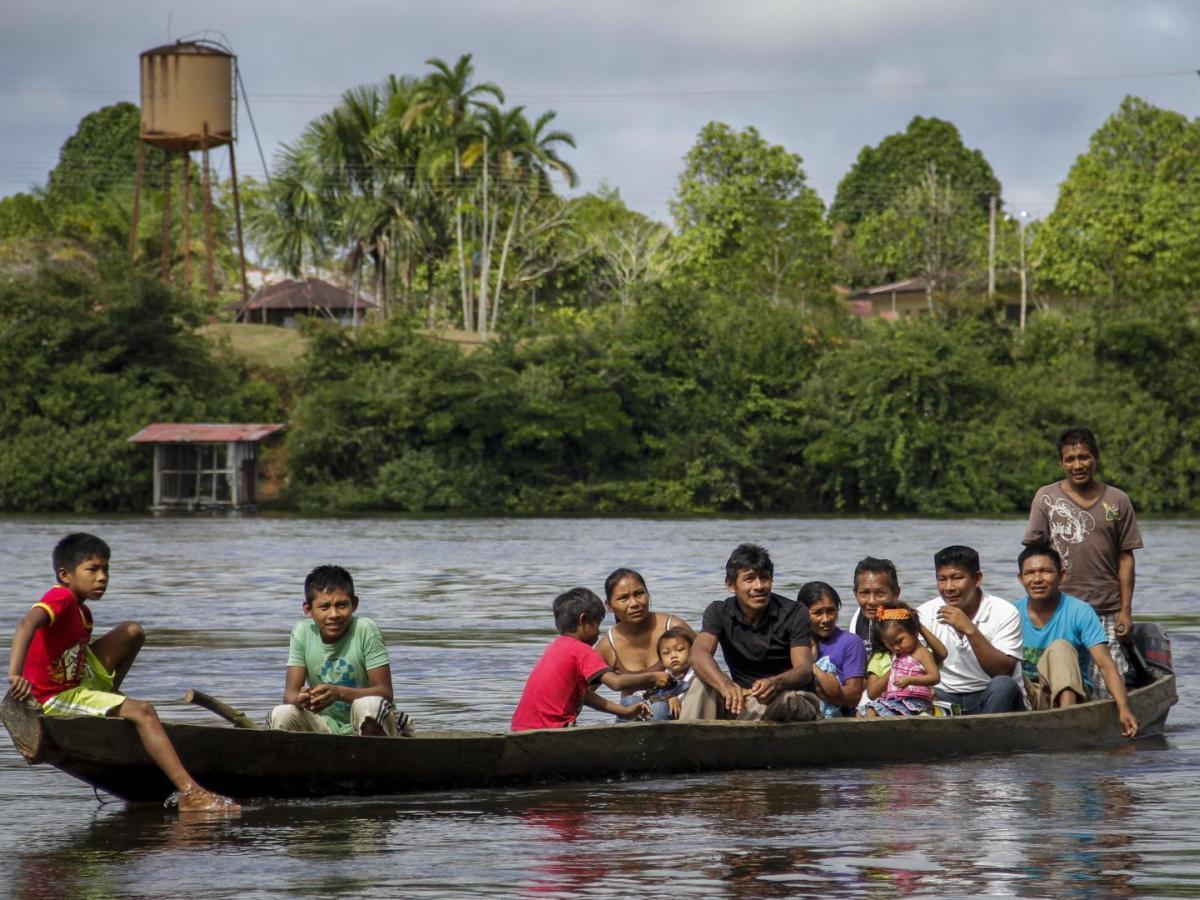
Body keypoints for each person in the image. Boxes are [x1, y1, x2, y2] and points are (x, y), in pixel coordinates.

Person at [6, 533, 238, 813]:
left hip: (76, 677)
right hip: (53, 695)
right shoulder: (61, 597)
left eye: (106, 569)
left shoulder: (83, 613)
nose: (102, 577)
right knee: (143, 712)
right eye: (92, 570)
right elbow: (25, 625)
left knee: (132, 632)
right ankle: (191, 792)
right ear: (65, 574)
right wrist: (15, 674)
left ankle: (108, 697)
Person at [1023, 426, 1143, 691]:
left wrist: (1125, 610)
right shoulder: (1047, 497)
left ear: (1096, 458)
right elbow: (1032, 556)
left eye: (1084, 457)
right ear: (1061, 463)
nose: (1077, 465)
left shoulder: (1117, 500)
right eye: (1070, 459)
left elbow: (1126, 559)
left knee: (1109, 683)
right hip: (1060, 607)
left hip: (1105, 607)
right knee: (1060, 678)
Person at [678, 543, 819, 722]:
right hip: (744, 698)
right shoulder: (719, 612)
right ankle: (688, 740)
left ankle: (725, 737)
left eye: (764, 578)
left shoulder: (794, 612)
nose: (759, 586)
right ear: (731, 585)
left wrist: (775, 683)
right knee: (700, 682)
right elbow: (698, 654)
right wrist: (725, 684)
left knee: (783, 700)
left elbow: (804, 670)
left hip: (792, 696)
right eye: (749, 579)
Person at [1013, 541, 1138, 738]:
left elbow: (1105, 664)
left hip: (1074, 697)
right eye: (1030, 573)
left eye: (1045, 571)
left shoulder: (1079, 611)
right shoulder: (1012, 613)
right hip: (1028, 697)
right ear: (1021, 579)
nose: (1037, 579)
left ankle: (1066, 723)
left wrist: (1123, 708)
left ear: (1062, 576)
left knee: (1060, 648)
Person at [268, 565, 407, 737]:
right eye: (324, 607)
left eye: (341, 605)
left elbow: (385, 693)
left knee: (369, 705)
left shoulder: (365, 629)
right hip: (327, 725)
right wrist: (301, 699)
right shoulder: (302, 632)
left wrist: (339, 693)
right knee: (281, 713)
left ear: (354, 604)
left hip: (368, 724)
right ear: (308, 609)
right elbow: (289, 694)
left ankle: (372, 758)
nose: (334, 614)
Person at [512, 588, 670, 732]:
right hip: (553, 730)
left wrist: (625, 711)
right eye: (597, 625)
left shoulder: (555, 647)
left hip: (520, 728)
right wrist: (654, 677)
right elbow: (616, 683)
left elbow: (584, 695)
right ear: (584, 620)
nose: (598, 633)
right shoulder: (580, 650)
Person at [916, 546, 1024, 715]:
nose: (949, 587)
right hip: (944, 696)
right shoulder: (925, 613)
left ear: (977, 578)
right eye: (942, 579)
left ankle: (986, 737)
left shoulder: (1005, 611)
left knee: (1003, 685)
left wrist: (970, 630)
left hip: (988, 696)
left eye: (957, 578)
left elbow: (1002, 672)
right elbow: (916, 663)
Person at [598, 568, 694, 721]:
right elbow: (584, 691)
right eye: (624, 598)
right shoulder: (607, 646)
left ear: (647, 595)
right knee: (631, 702)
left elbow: (703, 664)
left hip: (678, 713)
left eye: (639, 594)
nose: (634, 603)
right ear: (609, 605)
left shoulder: (673, 628)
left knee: (660, 707)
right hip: (632, 718)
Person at [846, 557, 944, 706]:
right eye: (864, 593)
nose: (871, 601)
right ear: (855, 593)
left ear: (896, 592)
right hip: (885, 692)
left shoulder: (907, 624)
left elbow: (938, 657)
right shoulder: (858, 620)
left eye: (880, 593)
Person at [797, 581, 865, 718]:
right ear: (802, 614)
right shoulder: (795, 644)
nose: (826, 619)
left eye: (831, 611)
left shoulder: (850, 642)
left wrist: (820, 692)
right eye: (817, 613)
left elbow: (853, 695)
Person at [863, 602, 940, 717]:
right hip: (897, 700)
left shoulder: (922, 652)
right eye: (890, 644)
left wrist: (910, 680)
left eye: (899, 641)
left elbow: (935, 677)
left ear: (914, 631)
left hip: (914, 701)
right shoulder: (898, 655)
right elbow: (872, 693)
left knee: (875, 711)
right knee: (868, 710)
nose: (896, 648)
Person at [638, 627, 696, 720]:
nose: (673, 656)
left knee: (659, 707)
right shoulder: (661, 678)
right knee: (631, 701)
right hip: (663, 716)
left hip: (687, 717)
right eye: (666, 653)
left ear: (693, 651)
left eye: (680, 650)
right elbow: (645, 695)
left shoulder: (697, 676)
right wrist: (669, 697)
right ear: (661, 659)